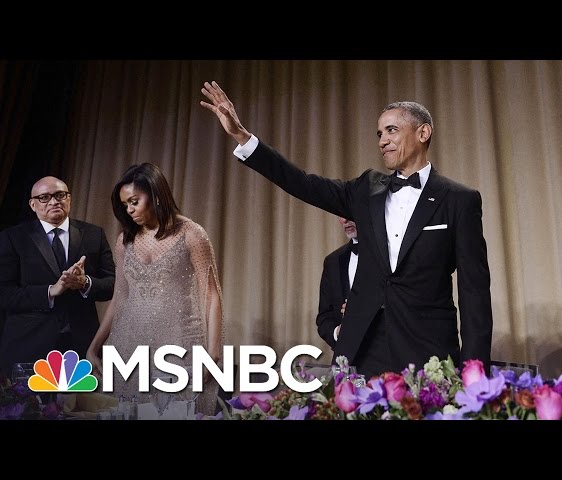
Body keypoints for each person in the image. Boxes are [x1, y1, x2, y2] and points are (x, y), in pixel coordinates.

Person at [200, 81, 493, 379]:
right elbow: (302, 182)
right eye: (379, 133)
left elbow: (474, 293)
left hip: (426, 350)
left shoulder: (459, 199)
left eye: (391, 130)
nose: (382, 141)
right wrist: (243, 137)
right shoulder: (367, 189)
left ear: (423, 132)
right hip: (362, 348)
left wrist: (474, 371)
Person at [86, 163, 224, 415]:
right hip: (128, 346)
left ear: (156, 194)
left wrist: (212, 354)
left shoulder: (192, 234)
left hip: (179, 344)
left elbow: (211, 295)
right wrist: (94, 347)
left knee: (179, 412)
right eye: (125, 204)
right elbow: (120, 296)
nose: (129, 210)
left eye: (135, 201)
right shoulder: (124, 241)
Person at [0, 176, 115, 375]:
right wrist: (50, 292)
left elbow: (113, 285)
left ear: (69, 198)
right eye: (44, 197)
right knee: (30, 407)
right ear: (33, 204)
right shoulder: (12, 237)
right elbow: (4, 293)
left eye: (60, 195)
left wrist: (84, 283)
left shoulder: (93, 234)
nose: (54, 201)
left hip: (80, 346)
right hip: (28, 345)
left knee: (79, 407)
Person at [316, 218, 359, 350]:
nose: (344, 220)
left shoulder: (391, 255)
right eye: (340, 214)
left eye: (349, 213)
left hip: (387, 358)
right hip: (346, 356)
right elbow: (325, 316)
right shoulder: (333, 261)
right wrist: (337, 333)